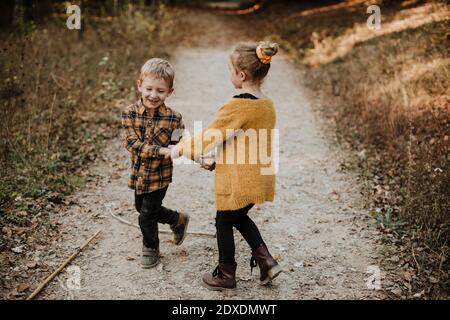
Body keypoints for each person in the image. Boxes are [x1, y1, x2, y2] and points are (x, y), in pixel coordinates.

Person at [170, 42, 282, 290]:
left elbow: (211, 135)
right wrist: (219, 160)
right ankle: (267, 263)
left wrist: (182, 147)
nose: (229, 74)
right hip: (259, 176)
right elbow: (245, 143)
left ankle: (225, 274)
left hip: (240, 179)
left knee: (223, 220)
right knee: (238, 217)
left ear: (241, 75)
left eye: (230, 69)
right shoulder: (267, 104)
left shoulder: (239, 104)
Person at [121, 58, 189, 269]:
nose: (153, 95)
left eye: (160, 91)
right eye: (149, 89)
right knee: (140, 207)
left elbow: (181, 142)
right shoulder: (129, 113)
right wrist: (161, 150)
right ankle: (177, 219)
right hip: (140, 173)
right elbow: (132, 143)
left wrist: (195, 154)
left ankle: (151, 248)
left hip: (160, 175)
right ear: (139, 85)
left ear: (170, 91)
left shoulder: (174, 118)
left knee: (146, 216)